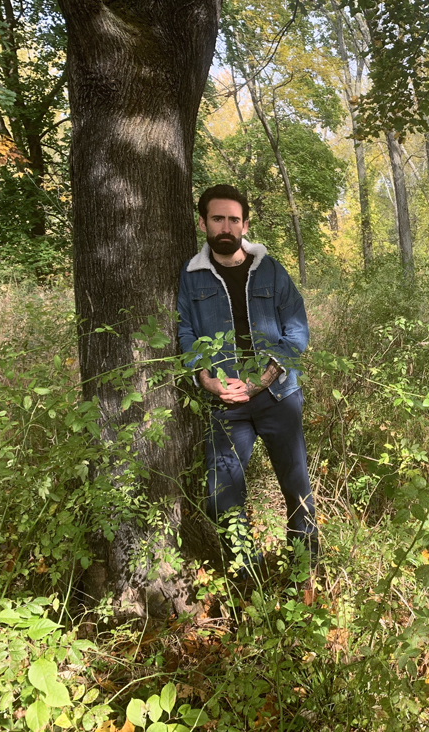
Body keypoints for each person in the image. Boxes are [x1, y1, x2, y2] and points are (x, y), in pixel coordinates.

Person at [177, 183, 317, 590]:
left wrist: (263, 379)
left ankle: (303, 573)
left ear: (245, 225)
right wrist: (204, 377)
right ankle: (251, 579)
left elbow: (297, 333)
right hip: (225, 402)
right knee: (222, 494)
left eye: (233, 219)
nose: (225, 226)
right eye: (217, 218)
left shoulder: (271, 271)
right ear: (203, 222)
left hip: (278, 397)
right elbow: (186, 332)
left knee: (296, 485)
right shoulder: (191, 277)